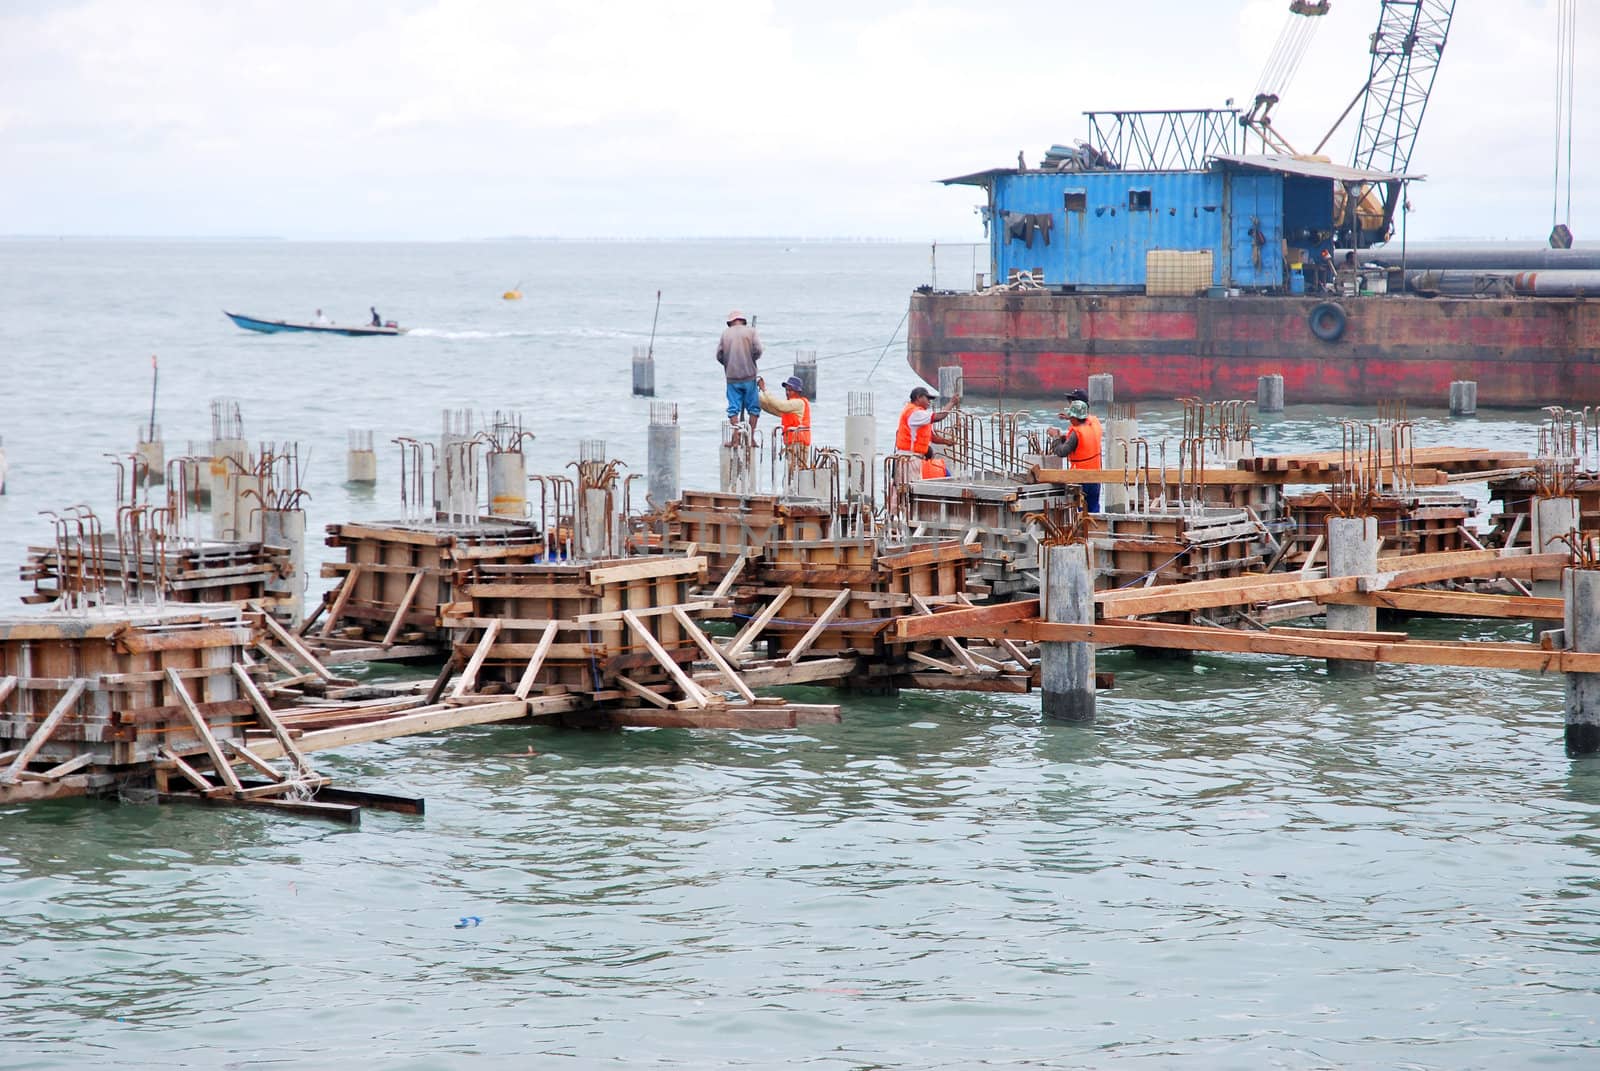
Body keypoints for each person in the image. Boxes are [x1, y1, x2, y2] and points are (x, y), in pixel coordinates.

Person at [1047, 398, 1104, 512]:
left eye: (1071, 418)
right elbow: (1086, 417)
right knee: (1094, 508)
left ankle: (1084, 529)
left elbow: (1061, 452)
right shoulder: (1094, 423)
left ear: (1075, 418)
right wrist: (1071, 416)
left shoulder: (1076, 434)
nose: (1069, 420)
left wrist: (1056, 437)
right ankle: (1096, 527)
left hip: (1081, 478)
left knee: (1080, 511)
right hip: (1096, 476)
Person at [716, 310, 764, 430]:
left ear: (730, 322)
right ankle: (751, 437)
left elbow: (719, 355)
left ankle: (736, 436)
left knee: (733, 409)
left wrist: (728, 364)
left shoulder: (725, 334)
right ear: (743, 321)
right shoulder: (751, 331)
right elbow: (758, 350)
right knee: (754, 408)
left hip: (732, 378)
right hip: (749, 376)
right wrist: (751, 359)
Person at [895, 386, 960, 455]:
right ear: (918, 397)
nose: (929, 401)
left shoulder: (920, 415)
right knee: (939, 465)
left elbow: (931, 437)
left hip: (913, 454)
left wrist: (946, 442)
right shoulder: (915, 413)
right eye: (927, 398)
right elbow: (940, 416)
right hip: (909, 455)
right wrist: (952, 403)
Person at [757, 375, 811, 448]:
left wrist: (764, 389)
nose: (787, 392)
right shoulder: (790, 407)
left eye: (790, 390)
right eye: (786, 390)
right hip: (791, 443)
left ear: (797, 391)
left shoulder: (799, 403)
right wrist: (756, 395)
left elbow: (780, 405)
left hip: (799, 445)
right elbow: (771, 408)